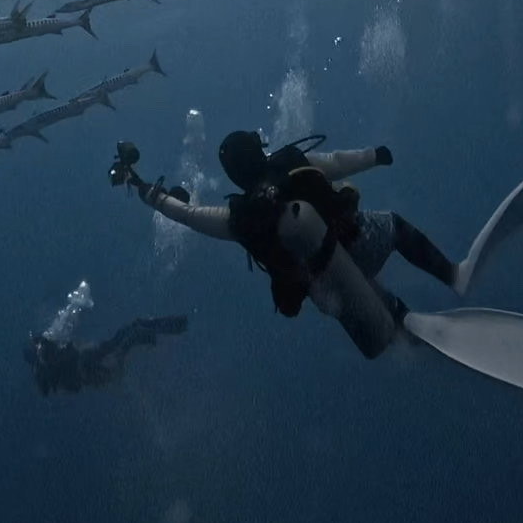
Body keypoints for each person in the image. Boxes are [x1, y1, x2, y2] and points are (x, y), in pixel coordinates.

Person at [109, 128, 458, 329]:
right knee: (395, 226)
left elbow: (188, 214)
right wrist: (375, 156)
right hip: (361, 245)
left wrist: (149, 194)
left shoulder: (238, 218)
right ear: (259, 152)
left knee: (358, 285)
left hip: (327, 292)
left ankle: (403, 320)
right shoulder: (290, 164)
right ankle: (451, 273)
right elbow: (336, 163)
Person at [25, 314, 188, 396]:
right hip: (94, 366)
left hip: (95, 362)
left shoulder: (50, 362)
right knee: (131, 335)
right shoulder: (47, 363)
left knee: (132, 331)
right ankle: (174, 328)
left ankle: (172, 327)